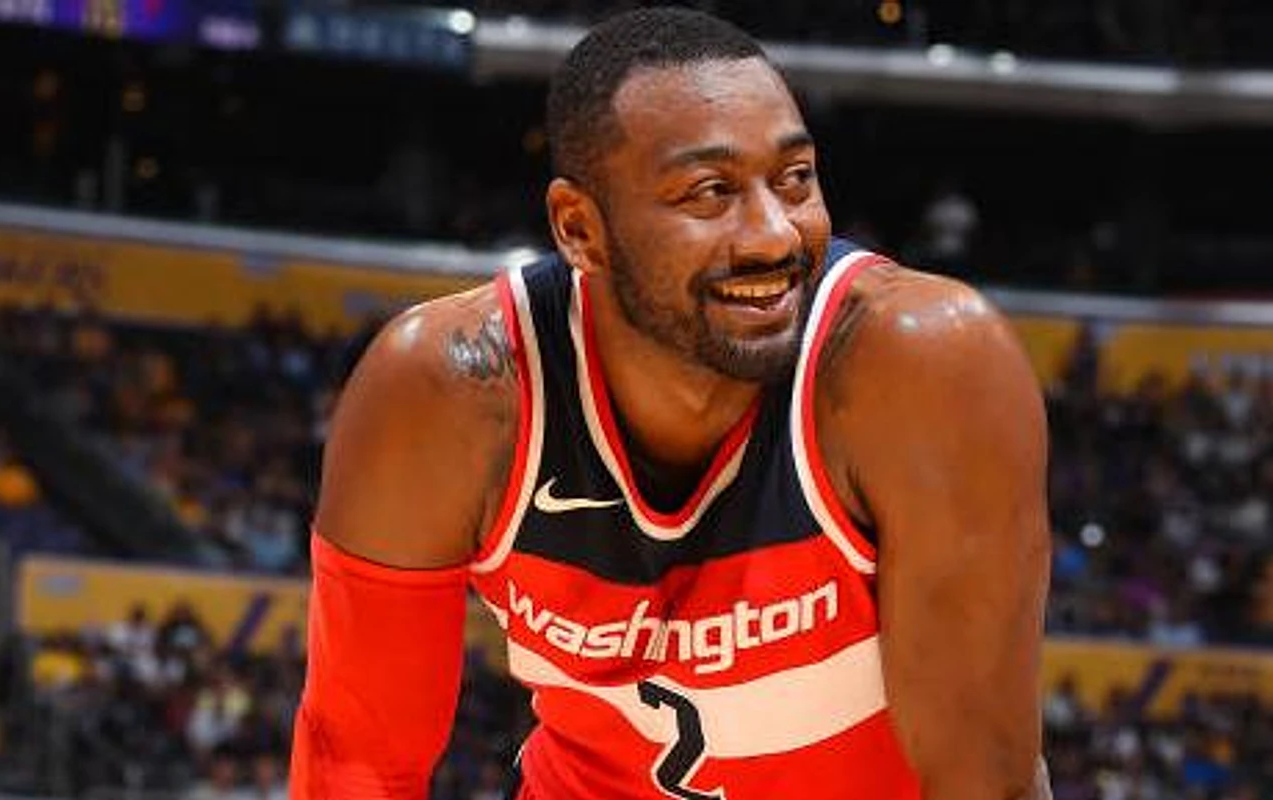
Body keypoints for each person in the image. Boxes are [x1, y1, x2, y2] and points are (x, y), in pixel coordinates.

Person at [291, 7, 1051, 800]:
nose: (774, 236)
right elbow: (358, 763)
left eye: (795, 179)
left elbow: (982, 783)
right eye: (710, 193)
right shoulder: (448, 393)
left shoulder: (925, 366)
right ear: (579, 229)